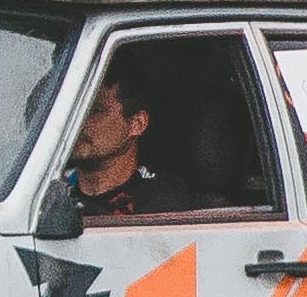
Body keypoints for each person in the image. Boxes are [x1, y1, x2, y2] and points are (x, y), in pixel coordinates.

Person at [60, 65, 203, 217]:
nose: (78, 121)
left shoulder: (162, 200)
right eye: (74, 110)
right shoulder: (47, 190)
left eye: (96, 111)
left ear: (137, 124)